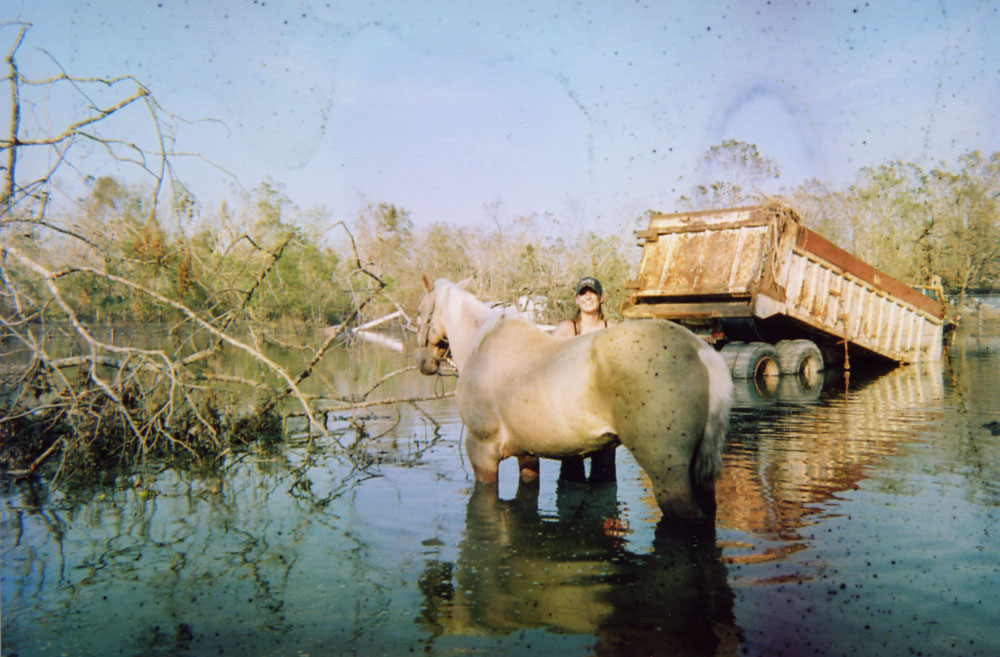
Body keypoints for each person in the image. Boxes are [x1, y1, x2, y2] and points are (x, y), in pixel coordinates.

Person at [552, 276, 617, 483]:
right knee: (570, 478)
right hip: (571, 416)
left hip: (604, 417)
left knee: (605, 477)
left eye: (593, 293)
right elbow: (546, 368)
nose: (588, 297)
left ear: (602, 297)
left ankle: (606, 510)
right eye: (583, 293)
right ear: (576, 299)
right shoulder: (565, 329)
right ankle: (569, 514)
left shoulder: (613, 328)